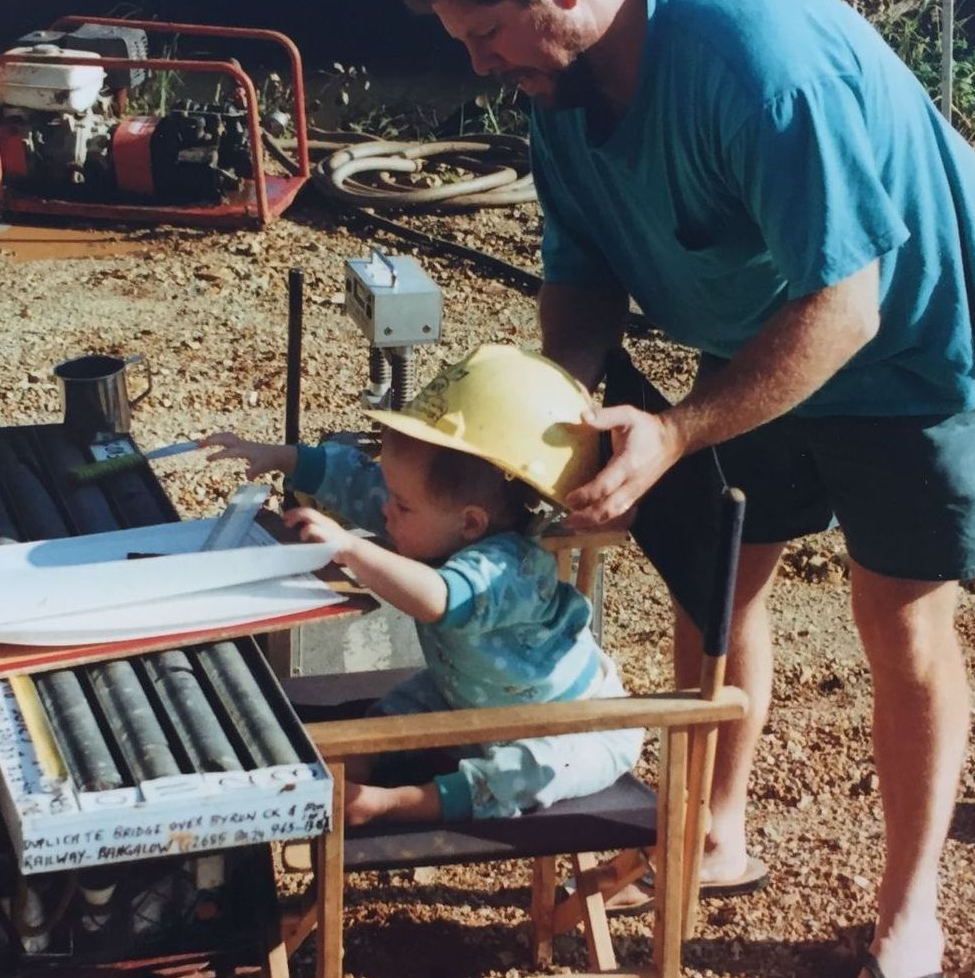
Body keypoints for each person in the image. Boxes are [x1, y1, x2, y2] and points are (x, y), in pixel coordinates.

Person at [387, 0, 975, 978]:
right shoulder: (563, 88)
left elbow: (848, 303)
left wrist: (682, 429)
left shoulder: (761, 71)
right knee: (716, 578)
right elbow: (581, 270)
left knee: (900, 621)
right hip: (751, 334)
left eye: (488, 30)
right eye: (462, 41)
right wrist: (560, 399)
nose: (478, 61)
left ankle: (910, 914)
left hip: (910, 338)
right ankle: (716, 830)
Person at [201, 344, 644, 828]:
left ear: (471, 523)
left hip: (575, 724)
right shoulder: (427, 517)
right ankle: (358, 765)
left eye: (401, 505)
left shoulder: (511, 568)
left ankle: (394, 802)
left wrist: (351, 548)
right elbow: (358, 480)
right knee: (394, 709)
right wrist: (280, 456)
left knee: (524, 774)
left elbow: (441, 598)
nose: (386, 510)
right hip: (467, 696)